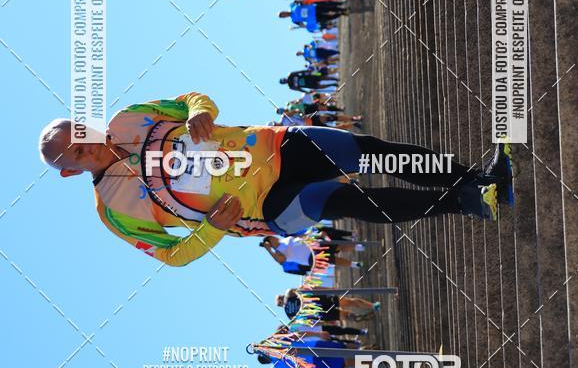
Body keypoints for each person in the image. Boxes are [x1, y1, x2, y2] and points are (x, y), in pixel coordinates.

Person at [38, 92, 511, 266]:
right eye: (75, 153)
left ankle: (479, 177)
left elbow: (190, 100)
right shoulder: (113, 210)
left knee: (372, 153)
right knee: (346, 200)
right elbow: (170, 254)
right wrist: (212, 230)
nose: (87, 146)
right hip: (264, 210)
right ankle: (471, 201)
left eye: (79, 134)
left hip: (275, 145)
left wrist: (201, 112)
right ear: (68, 171)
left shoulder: (127, 117)